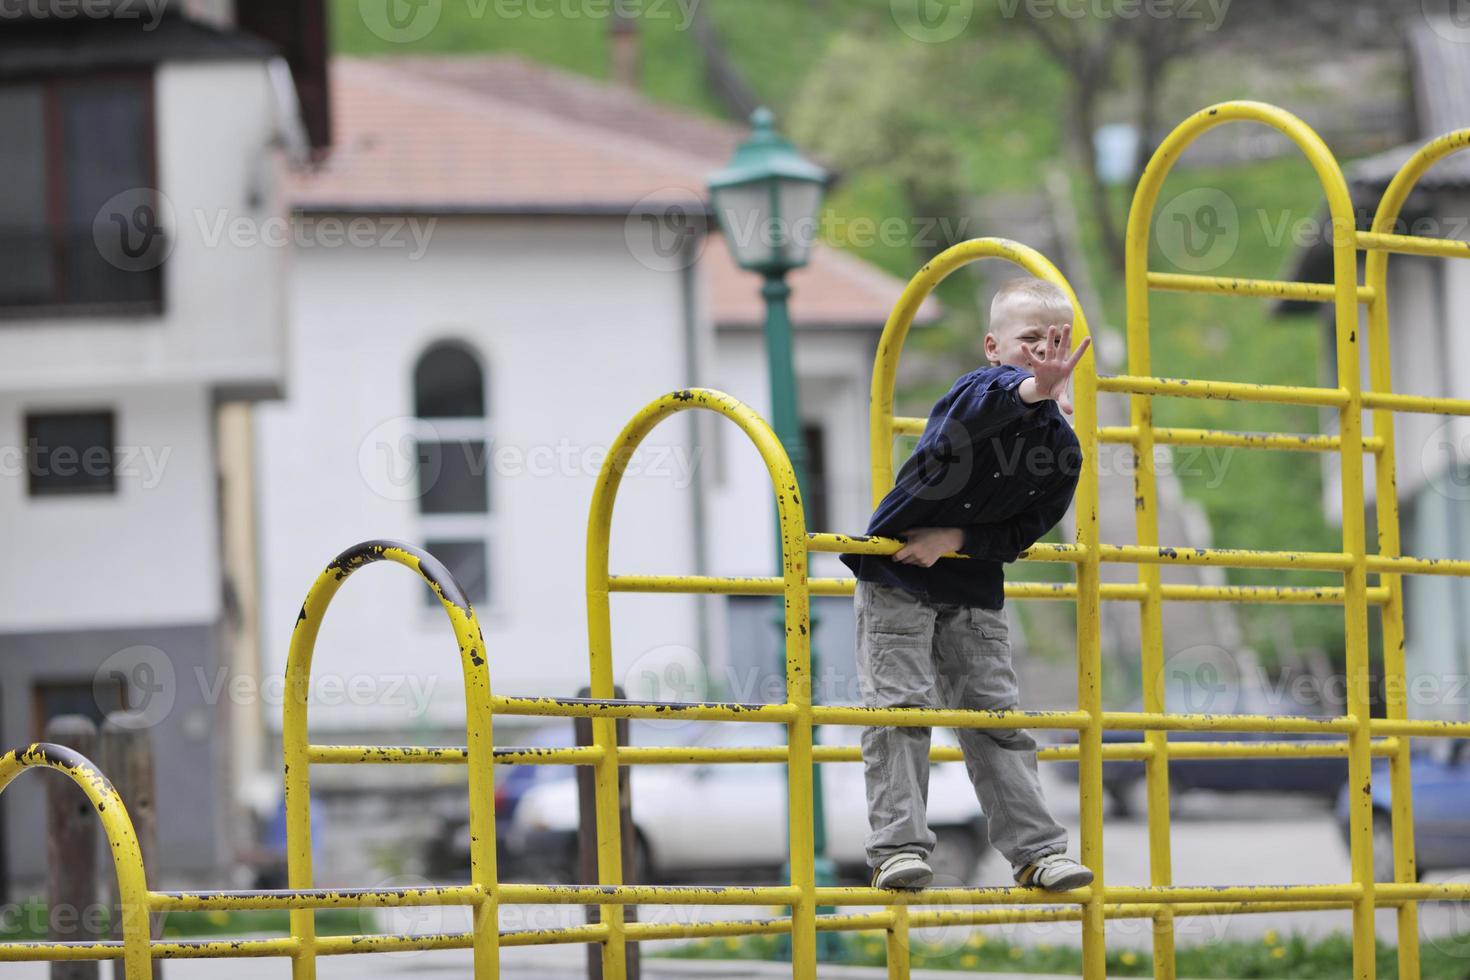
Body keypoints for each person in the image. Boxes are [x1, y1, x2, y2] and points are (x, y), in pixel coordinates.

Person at [839, 276, 1095, 892]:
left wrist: (954, 540)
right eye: (1027, 340)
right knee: (901, 709)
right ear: (992, 346)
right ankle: (897, 848)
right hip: (899, 571)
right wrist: (1035, 387)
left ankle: (1037, 853)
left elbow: (1026, 528)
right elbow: (993, 404)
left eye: (1053, 341)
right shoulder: (976, 392)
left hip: (971, 581)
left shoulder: (1063, 448)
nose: (1040, 352)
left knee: (995, 718)